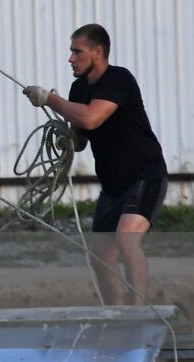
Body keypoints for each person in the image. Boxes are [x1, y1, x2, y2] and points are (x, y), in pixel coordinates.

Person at [24, 23, 168, 305]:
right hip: (113, 185)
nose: (71, 59)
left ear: (98, 52)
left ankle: (137, 312)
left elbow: (91, 118)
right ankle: (117, 316)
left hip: (144, 175)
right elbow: (82, 136)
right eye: (71, 53)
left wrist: (50, 99)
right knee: (100, 256)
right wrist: (68, 138)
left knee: (127, 240)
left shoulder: (119, 80)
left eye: (77, 52)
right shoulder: (78, 89)